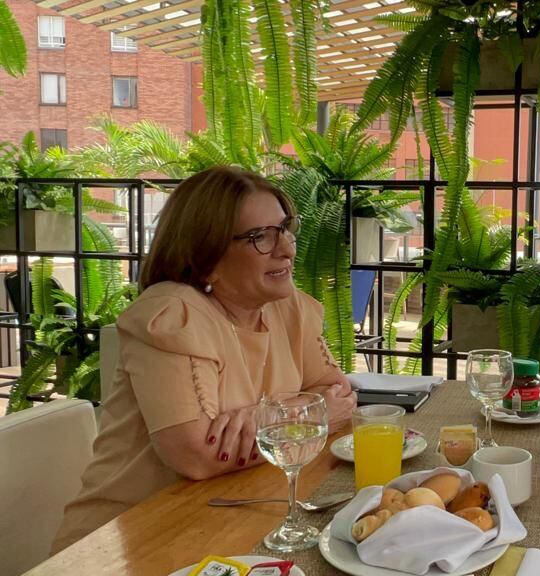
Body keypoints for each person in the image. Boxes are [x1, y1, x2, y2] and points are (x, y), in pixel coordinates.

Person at [52, 166, 357, 552]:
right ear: (207, 256)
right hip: (128, 538)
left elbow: (337, 393)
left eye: (285, 228)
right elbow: (196, 455)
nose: (286, 248)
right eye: (259, 237)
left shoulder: (284, 305)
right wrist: (310, 415)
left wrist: (268, 416)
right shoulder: (174, 313)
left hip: (230, 517)